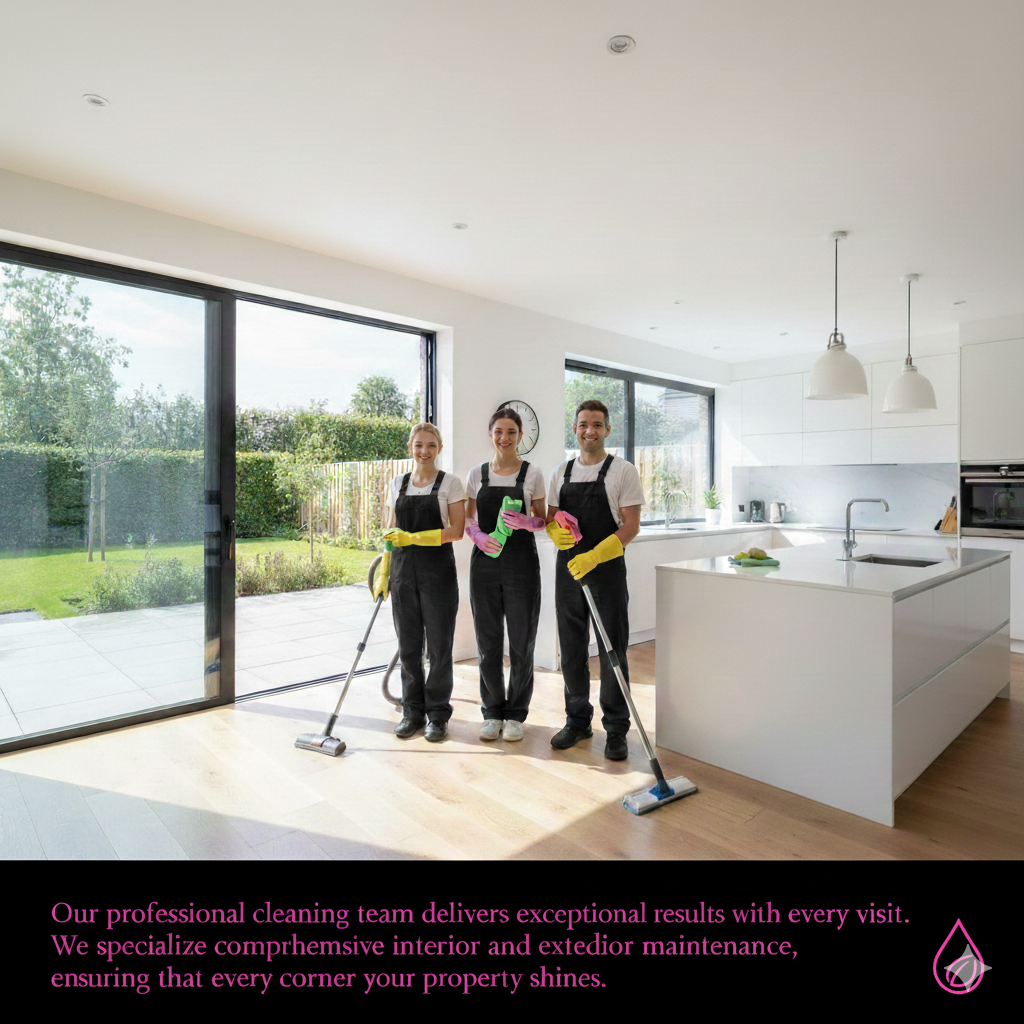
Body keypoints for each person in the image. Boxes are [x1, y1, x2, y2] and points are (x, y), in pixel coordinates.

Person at [545, 400, 644, 761]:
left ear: (607, 430)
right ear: (575, 428)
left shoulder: (622, 471)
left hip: (605, 570)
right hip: (568, 570)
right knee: (572, 647)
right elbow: (552, 518)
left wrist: (595, 555)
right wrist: (557, 533)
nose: (590, 430)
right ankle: (577, 720)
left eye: (598, 424)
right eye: (584, 424)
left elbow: (630, 524)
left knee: (611, 648)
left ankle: (616, 728)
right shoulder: (561, 472)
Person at [464, 407, 547, 741]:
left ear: (520, 435)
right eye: (498, 431)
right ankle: (491, 712)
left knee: (522, 640)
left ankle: (515, 715)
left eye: (511, 432)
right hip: (484, 564)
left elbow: (543, 520)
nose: (504, 438)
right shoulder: (477, 474)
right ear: (490, 434)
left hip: (522, 564)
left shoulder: (532, 474)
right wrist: (479, 537)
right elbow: (468, 520)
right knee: (487, 641)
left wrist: (528, 522)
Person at [384, 422, 466, 742]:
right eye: (419, 445)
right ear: (410, 447)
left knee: (440, 648)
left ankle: (437, 714)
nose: (424, 451)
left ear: (439, 449)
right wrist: (383, 571)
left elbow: (456, 531)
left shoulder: (451, 484)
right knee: (408, 647)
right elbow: (391, 533)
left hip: (438, 575)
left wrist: (413, 537)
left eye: (431, 445)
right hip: (402, 575)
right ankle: (411, 711)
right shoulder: (398, 483)